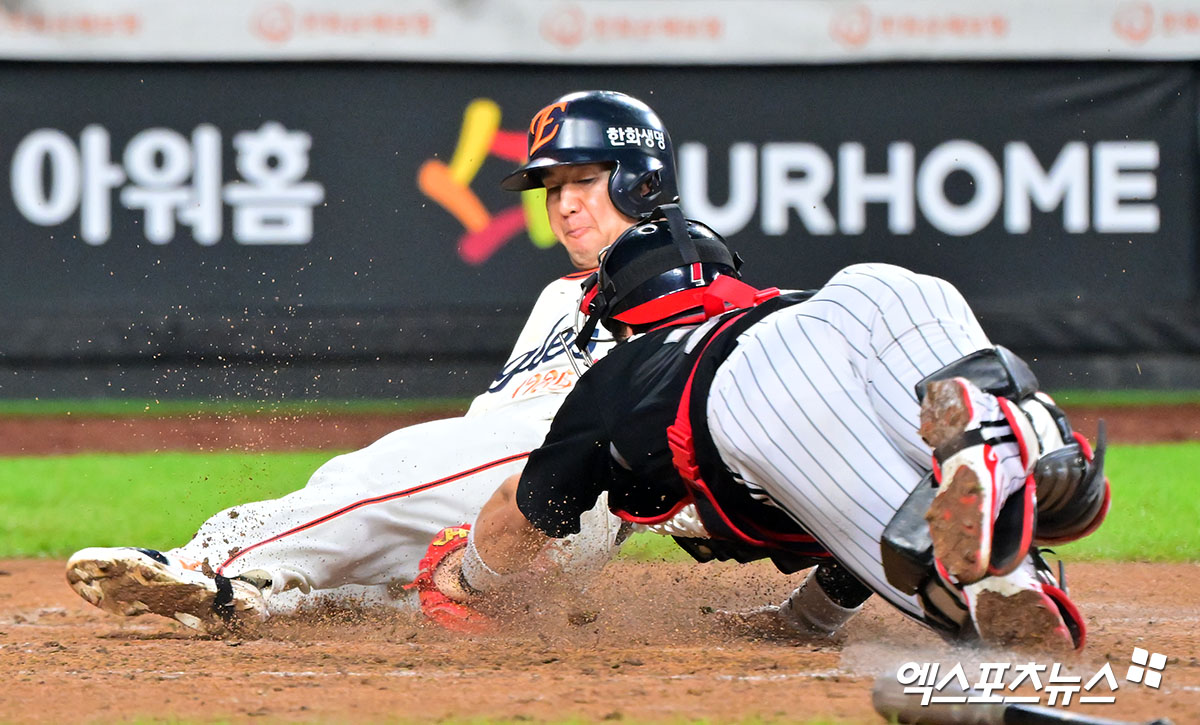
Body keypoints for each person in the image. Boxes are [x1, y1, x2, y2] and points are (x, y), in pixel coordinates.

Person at [64, 90, 680, 636]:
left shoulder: (684, 287)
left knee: (376, 475)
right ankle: (243, 597)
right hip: (502, 506)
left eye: (584, 181)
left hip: (566, 492)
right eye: (552, 187)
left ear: (640, 181)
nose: (564, 203)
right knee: (360, 584)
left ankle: (204, 560)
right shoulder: (558, 296)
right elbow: (486, 427)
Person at [428, 206, 1111, 652]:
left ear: (624, 315)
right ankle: (1032, 454)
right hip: (864, 295)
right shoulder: (782, 301)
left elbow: (522, 509)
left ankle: (1001, 591)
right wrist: (806, 620)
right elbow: (835, 558)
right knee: (964, 411)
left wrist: (469, 578)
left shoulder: (622, 372)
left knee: (938, 572)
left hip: (746, 392)